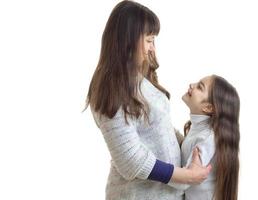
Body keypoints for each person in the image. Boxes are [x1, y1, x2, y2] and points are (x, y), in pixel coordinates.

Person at [83, 1, 211, 199]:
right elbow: (131, 160)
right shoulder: (109, 89)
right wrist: (187, 176)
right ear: (128, 39)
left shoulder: (138, 79)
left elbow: (160, 127)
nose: (152, 49)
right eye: (149, 40)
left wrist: (193, 146)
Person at [179, 75, 240, 200]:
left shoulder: (206, 138)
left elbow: (183, 180)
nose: (191, 84)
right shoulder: (200, 130)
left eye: (200, 87)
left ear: (208, 107)